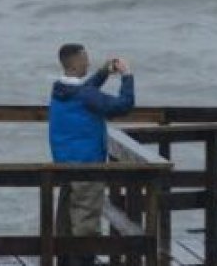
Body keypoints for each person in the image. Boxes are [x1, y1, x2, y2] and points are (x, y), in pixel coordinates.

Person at [48, 43, 135, 266]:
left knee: (67, 220)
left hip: (64, 164)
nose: (88, 62)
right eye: (85, 58)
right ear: (76, 63)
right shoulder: (85, 96)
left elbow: (85, 91)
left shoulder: (59, 89)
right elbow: (123, 106)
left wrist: (104, 72)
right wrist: (127, 76)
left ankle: (66, 262)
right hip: (87, 166)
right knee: (86, 223)